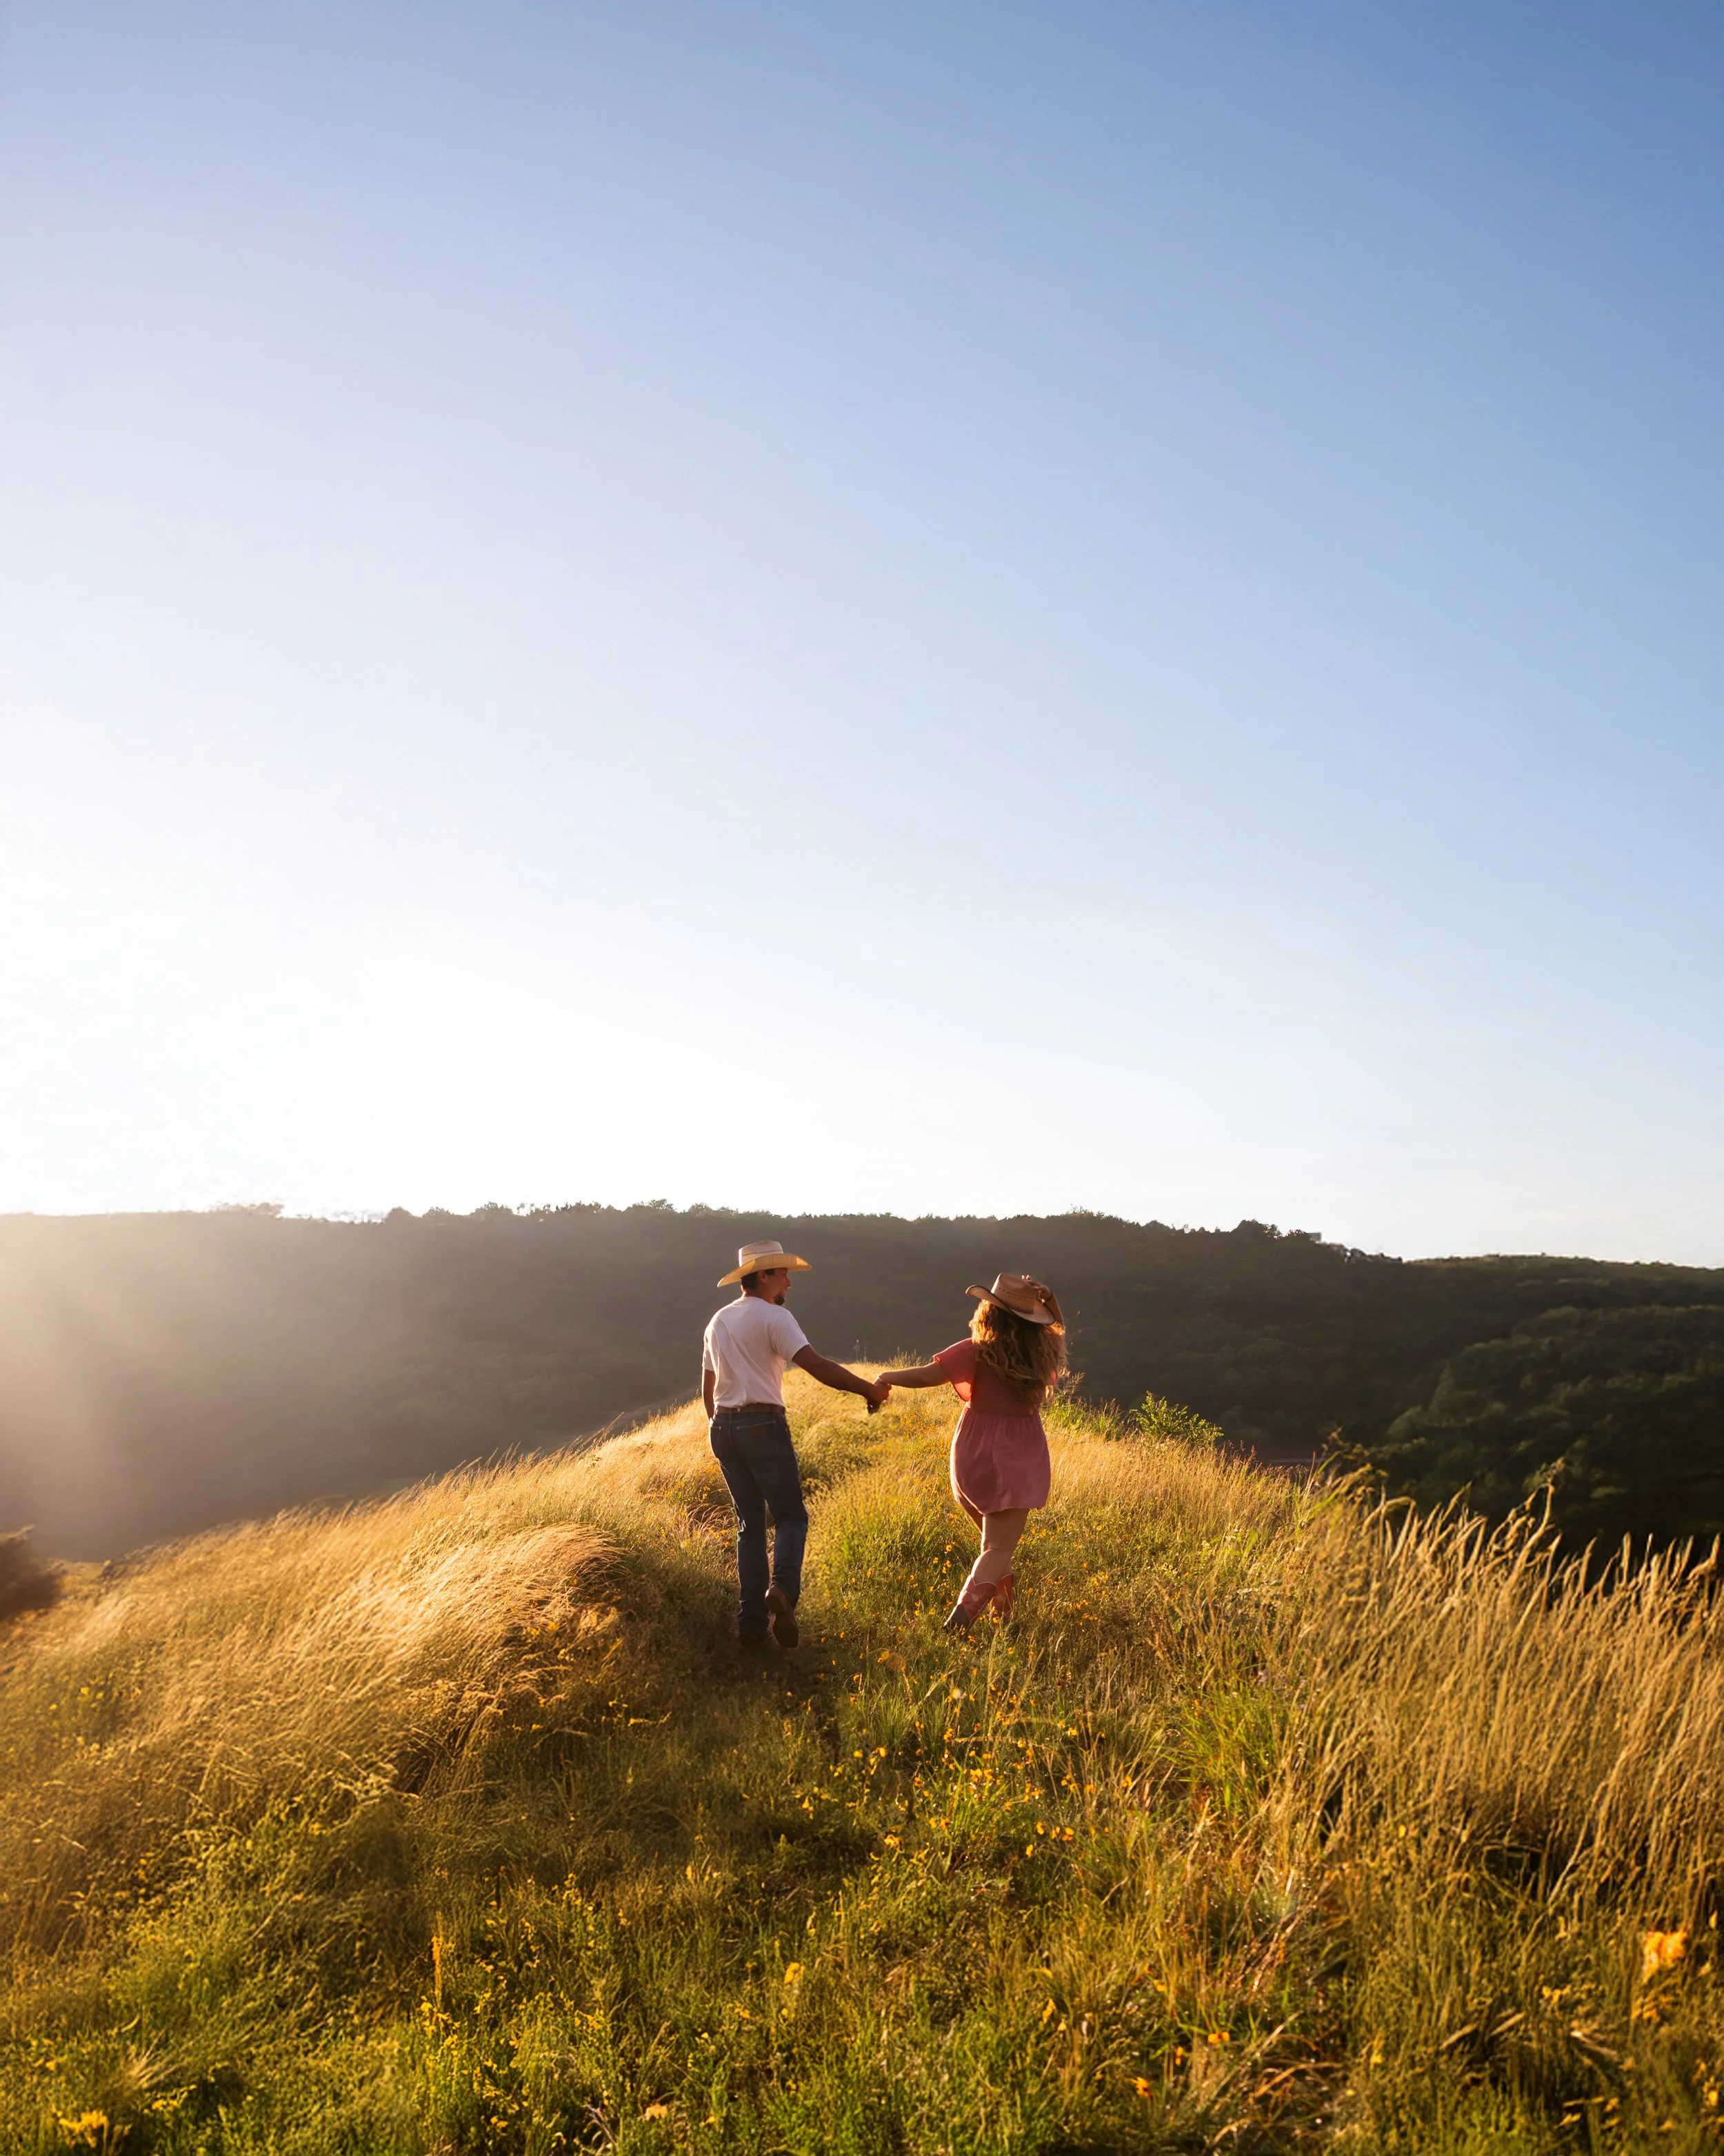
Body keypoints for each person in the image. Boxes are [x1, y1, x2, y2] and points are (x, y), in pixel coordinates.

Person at [703, 1239, 889, 1652]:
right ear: (764, 1276)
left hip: (724, 1427)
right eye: (783, 1273)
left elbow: (708, 1387)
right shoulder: (775, 1318)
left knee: (749, 1527)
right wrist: (868, 1392)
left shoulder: (718, 1321)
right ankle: (783, 1590)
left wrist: (720, 1429)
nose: (789, 1281)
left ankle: (751, 1626)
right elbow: (818, 1367)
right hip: (763, 1424)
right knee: (790, 1517)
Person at [879, 1273, 1065, 1633]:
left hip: (972, 1454)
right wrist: (1051, 1299)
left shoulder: (976, 1350)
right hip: (1017, 1455)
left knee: (994, 1546)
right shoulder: (1042, 1353)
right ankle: (959, 1622)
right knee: (998, 1547)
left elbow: (926, 1376)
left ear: (989, 1312)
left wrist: (887, 1376)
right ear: (1032, 1318)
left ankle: (1005, 1617)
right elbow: (1057, 1328)